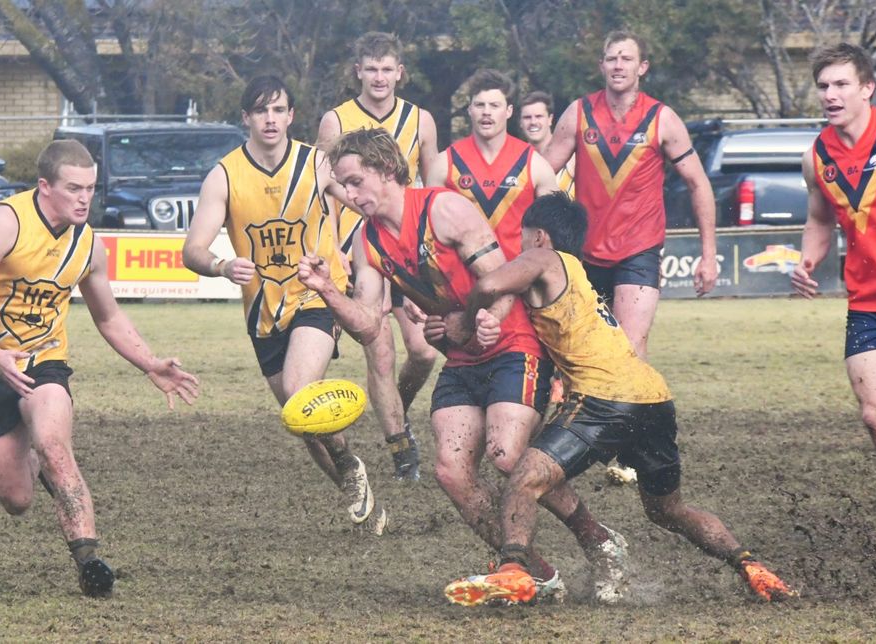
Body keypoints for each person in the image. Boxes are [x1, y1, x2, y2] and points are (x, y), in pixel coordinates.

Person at [300, 128, 633, 603]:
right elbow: (368, 324)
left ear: (387, 169)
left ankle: (599, 540)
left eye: (355, 182)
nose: (349, 195)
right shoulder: (368, 244)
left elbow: (500, 281)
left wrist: (486, 324)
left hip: (513, 345)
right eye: (343, 186)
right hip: (460, 360)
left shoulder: (444, 210)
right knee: (451, 472)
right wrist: (326, 290)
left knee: (507, 454)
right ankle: (533, 573)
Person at [444, 193, 797, 606]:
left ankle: (514, 569)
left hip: (603, 396)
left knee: (523, 478)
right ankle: (749, 565)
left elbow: (488, 283)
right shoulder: (577, 275)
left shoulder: (543, 257)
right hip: (653, 396)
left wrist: (464, 324)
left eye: (522, 240)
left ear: (539, 236)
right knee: (668, 510)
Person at [0, 139, 201, 598]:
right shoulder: (6, 223)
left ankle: (89, 562)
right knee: (16, 498)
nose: (85, 198)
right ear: (45, 186)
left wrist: (149, 364)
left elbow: (109, 316)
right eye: (74, 188)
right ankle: (35, 453)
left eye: (91, 188)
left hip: (44, 362)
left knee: (55, 444)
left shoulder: (88, 245)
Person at [182, 76, 388, 533]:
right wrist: (220, 266)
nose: (270, 119)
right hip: (262, 313)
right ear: (247, 119)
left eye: (278, 110)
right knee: (300, 421)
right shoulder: (225, 175)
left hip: (316, 295)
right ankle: (362, 500)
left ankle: (351, 466)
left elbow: (363, 202)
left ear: (291, 116)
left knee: (300, 389)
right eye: (261, 111)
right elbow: (192, 248)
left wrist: (375, 259)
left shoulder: (316, 164)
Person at [543, 30, 718, 359]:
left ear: (643, 67)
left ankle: (629, 411)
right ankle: (596, 409)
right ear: (601, 66)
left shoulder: (662, 119)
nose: (618, 65)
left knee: (629, 344)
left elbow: (699, 184)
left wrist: (708, 255)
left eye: (627, 59)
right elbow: (539, 176)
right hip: (586, 249)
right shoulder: (579, 113)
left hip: (639, 249)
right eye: (612, 58)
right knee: (584, 347)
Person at [317, 31, 440, 480]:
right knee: (379, 348)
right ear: (358, 73)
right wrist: (332, 245)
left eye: (388, 69)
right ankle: (400, 446)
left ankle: (396, 408)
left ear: (399, 73)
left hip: (409, 249)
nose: (380, 77)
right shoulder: (335, 121)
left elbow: (434, 182)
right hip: (360, 249)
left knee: (424, 353)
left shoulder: (421, 120)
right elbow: (323, 188)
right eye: (371, 69)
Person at [791, 43, 876, 473]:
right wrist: (806, 261)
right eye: (824, 86)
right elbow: (819, 220)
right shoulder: (817, 157)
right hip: (868, 304)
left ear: (868, 88)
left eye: (842, 84)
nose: (831, 94)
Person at [426, 69, 561, 259]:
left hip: (518, 279)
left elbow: (554, 234)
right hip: (463, 281)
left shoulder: (535, 165)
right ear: (469, 110)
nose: (486, 112)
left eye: (494, 105)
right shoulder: (444, 164)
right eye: (480, 105)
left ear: (509, 111)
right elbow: (431, 236)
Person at [519, 90, 575, 197]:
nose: (533, 122)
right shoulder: (517, 161)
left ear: (550, 119)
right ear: (520, 122)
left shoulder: (571, 158)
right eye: (527, 117)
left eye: (539, 116)